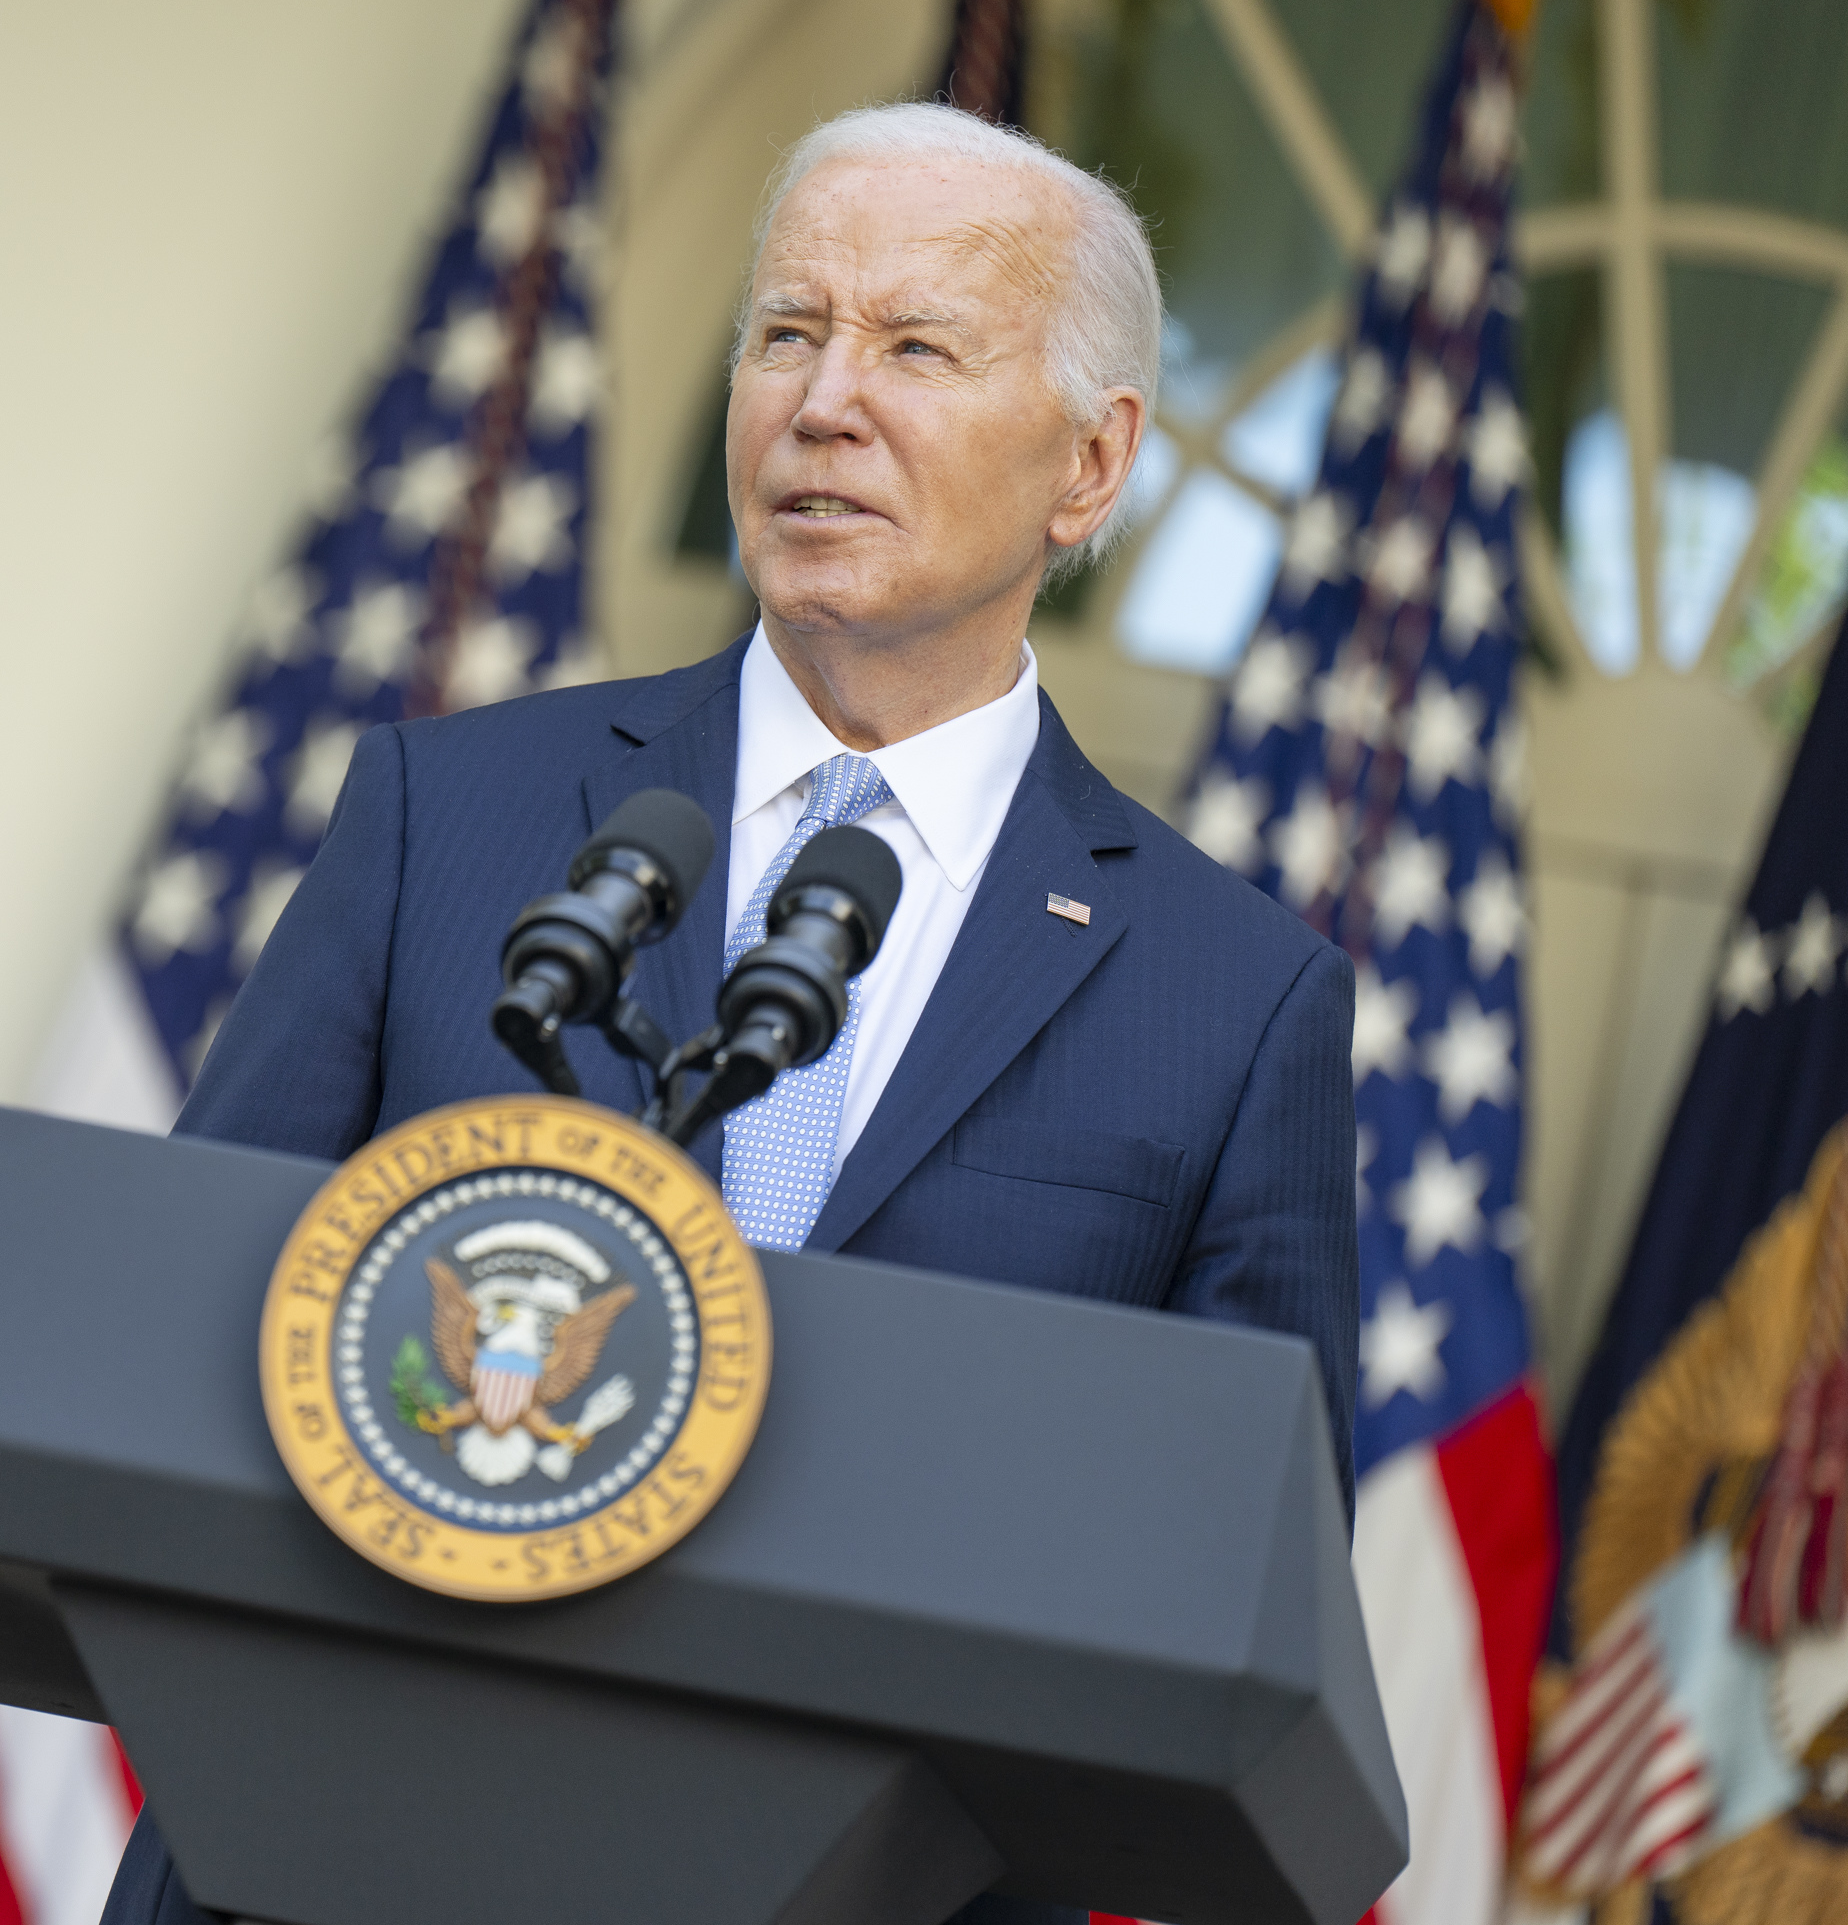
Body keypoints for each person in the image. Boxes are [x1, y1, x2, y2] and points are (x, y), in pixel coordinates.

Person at [101, 100, 1356, 1925]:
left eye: (918, 346)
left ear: (1093, 469)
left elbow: (1241, 1591)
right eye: (787, 332)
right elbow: (177, 1333)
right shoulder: (444, 817)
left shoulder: (1234, 1004)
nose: (824, 401)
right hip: (332, 1866)